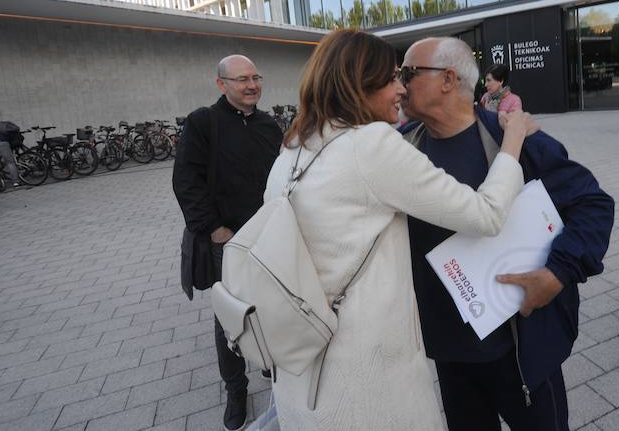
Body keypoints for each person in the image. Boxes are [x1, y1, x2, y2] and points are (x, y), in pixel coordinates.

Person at [265, 29, 534, 430]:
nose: (400, 89)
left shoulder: (293, 149)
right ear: (361, 84)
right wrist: (512, 141)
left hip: (304, 358)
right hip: (366, 367)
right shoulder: (371, 144)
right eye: (393, 78)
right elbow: (487, 214)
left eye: (405, 76)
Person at [400, 37, 615, 431]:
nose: (399, 84)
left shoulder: (514, 139)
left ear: (448, 79)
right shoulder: (401, 149)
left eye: (409, 73)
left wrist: (556, 274)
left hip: (520, 352)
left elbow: (593, 204)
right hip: (449, 355)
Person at [172, 55, 283, 431]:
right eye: (241, 80)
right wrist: (216, 229)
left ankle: (273, 368)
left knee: (272, 308)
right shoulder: (204, 123)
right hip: (228, 243)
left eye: (256, 77)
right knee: (231, 321)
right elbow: (186, 181)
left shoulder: (270, 126)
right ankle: (236, 390)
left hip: (269, 239)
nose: (252, 85)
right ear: (222, 84)